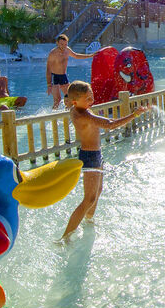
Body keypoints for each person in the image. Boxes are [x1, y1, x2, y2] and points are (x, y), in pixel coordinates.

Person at [60, 81, 149, 242]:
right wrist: (134, 115)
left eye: (91, 95)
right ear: (75, 102)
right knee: (89, 199)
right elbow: (110, 125)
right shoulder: (83, 114)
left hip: (96, 154)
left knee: (98, 191)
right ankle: (65, 237)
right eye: (87, 98)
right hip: (90, 156)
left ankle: (88, 221)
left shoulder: (77, 109)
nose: (91, 100)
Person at [47, 34, 97, 110]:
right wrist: (49, 84)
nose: (64, 46)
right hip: (55, 77)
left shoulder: (67, 50)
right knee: (57, 100)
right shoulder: (53, 53)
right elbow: (48, 69)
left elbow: (76, 56)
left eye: (65, 44)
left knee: (70, 99)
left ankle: (68, 116)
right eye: (62, 44)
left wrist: (90, 56)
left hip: (63, 76)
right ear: (57, 43)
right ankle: (53, 119)